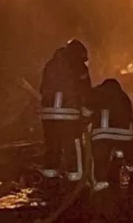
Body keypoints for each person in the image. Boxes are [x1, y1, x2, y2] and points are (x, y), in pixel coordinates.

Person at [39, 39, 92, 181]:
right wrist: (87, 114)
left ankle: (50, 181)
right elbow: (86, 92)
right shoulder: (79, 66)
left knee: (52, 148)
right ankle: (77, 181)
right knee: (72, 149)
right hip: (69, 115)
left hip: (48, 115)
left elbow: (42, 89)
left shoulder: (51, 65)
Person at [87, 78, 133, 193]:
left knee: (100, 159)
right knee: (131, 161)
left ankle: (101, 182)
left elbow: (87, 110)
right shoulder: (124, 97)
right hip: (126, 136)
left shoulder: (99, 93)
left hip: (103, 134)